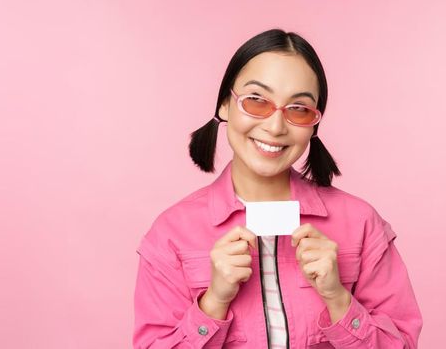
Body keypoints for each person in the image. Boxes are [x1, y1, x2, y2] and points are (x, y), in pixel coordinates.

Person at [133, 28, 422, 348]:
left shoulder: (361, 223)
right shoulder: (171, 233)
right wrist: (213, 302)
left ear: (314, 125)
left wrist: (338, 299)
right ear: (226, 105)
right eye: (256, 101)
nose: (275, 126)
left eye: (298, 109)